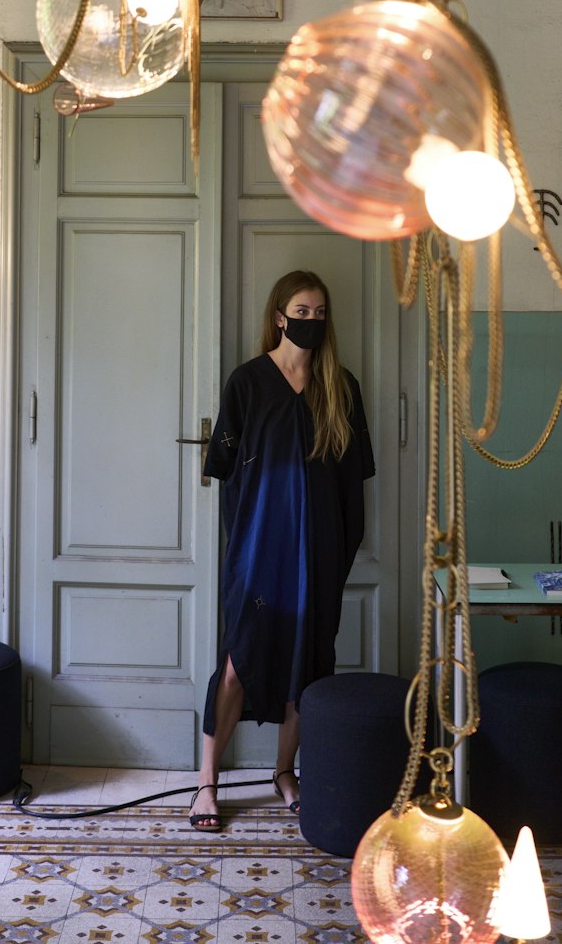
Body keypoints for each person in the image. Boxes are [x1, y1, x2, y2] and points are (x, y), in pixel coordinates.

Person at [189, 270, 375, 831]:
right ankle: (206, 784)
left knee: (308, 669)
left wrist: (342, 548)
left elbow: (354, 479)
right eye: (302, 310)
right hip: (258, 551)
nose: (311, 320)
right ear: (279, 316)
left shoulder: (340, 387)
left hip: (318, 551)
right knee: (235, 666)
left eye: (320, 313)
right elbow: (224, 469)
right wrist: (242, 545)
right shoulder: (247, 383)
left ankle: (284, 773)